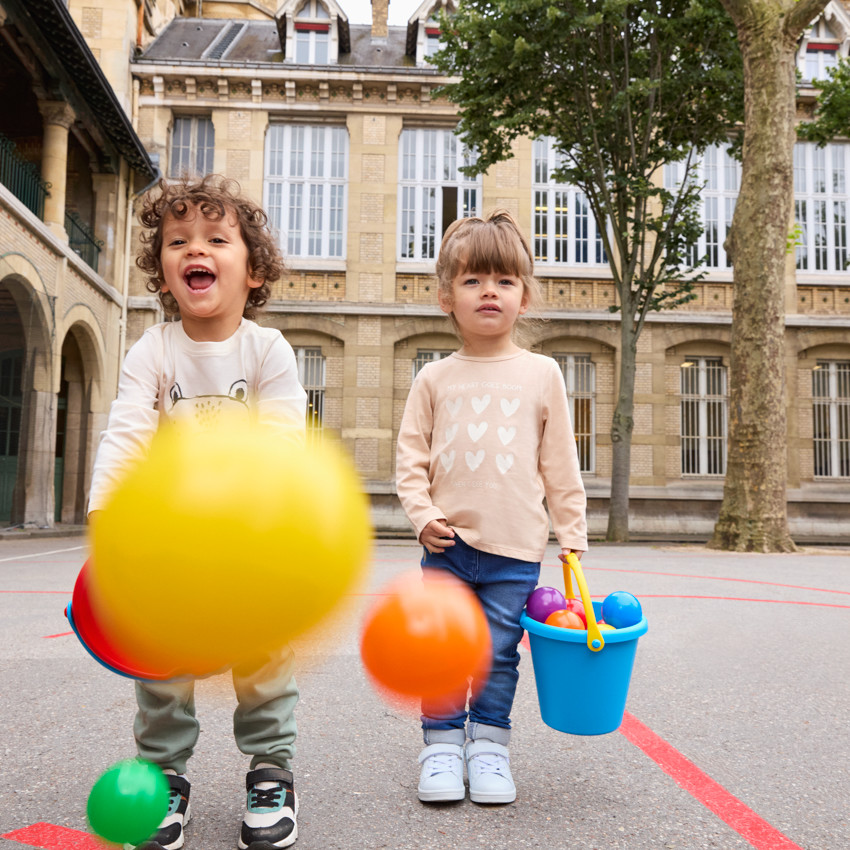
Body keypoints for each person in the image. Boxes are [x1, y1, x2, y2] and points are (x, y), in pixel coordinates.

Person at [87, 174, 307, 850]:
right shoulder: (153, 350)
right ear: (162, 270)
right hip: (171, 542)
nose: (194, 249)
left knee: (263, 654)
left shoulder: (266, 350)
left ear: (253, 269)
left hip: (249, 534)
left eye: (216, 238)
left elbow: (282, 438)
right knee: (160, 664)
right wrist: (106, 515)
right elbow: (126, 430)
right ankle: (163, 774)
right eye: (177, 241)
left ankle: (271, 768)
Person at [395, 210, 588, 805]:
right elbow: (410, 458)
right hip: (448, 547)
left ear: (524, 297)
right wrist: (423, 516)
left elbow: (560, 463)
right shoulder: (433, 377)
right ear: (445, 297)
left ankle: (490, 749)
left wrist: (572, 537)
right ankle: (441, 746)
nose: (489, 292)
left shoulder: (542, 373)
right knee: (445, 650)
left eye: (504, 282)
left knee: (500, 653)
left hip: (515, 550)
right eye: (474, 280)